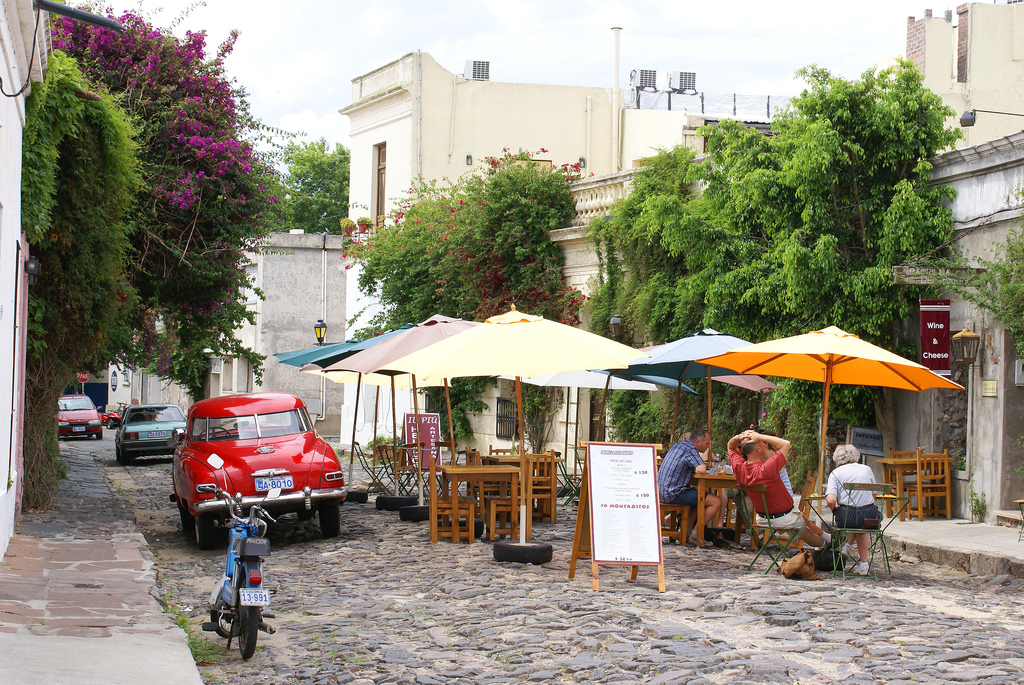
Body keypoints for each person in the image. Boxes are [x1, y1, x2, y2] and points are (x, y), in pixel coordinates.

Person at [728, 429, 830, 549]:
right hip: (783, 517)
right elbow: (786, 444)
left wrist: (738, 437)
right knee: (803, 529)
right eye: (761, 443)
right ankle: (827, 546)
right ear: (758, 449)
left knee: (799, 517)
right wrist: (760, 436)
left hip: (762, 518)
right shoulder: (767, 468)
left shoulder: (739, 468)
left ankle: (827, 538)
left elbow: (730, 446)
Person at [658, 428, 721, 547]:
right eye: (707, 443)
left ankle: (687, 534)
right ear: (697, 442)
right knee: (716, 501)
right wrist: (696, 468)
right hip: (673, 493)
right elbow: (702, 469)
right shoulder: (690, 450)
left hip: (662, 492)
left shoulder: (678, 445)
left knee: (697, 500)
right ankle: (696, 535)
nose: (708, 447)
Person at [826, 444, 880, 575]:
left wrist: (834, 508)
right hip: (869, 517)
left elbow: (831, 500)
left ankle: (847, 545)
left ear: (837, 458)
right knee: (862, 523)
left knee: (854, 520)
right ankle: (863, 563)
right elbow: (874, 495)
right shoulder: (867, 469)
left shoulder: (836, 473)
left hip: (846, 517)